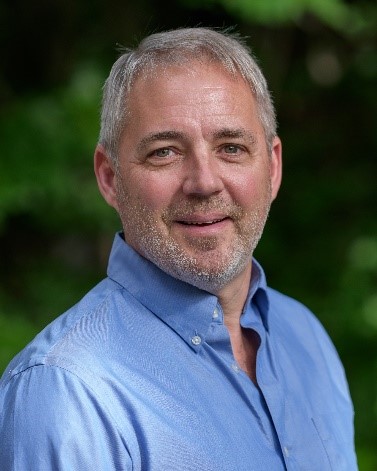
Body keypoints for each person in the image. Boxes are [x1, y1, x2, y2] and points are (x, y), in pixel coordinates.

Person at [0, 27, 357, 470]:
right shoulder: (68, 391)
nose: (204, 182)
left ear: (273, 168)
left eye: (231, 147)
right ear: (110, 178)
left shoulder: (307, 339)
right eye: (164, 152)